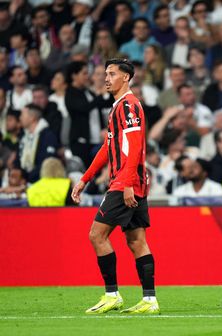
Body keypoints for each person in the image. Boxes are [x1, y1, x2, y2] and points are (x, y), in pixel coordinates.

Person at [71, 59, 159, 314]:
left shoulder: (128, 105)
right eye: (105, 74)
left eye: (111, 74)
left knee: (96, 235)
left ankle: (112, 294)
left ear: (126, 78)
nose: (106, 78)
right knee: (136, 241)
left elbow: (135, 147)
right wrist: (85, 178)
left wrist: (128, 182)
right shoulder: (119, 107)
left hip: (125, 181)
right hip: (134, 181)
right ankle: (150, 301)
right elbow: (109, 148)